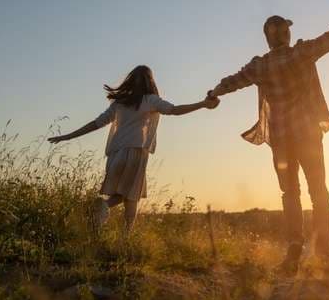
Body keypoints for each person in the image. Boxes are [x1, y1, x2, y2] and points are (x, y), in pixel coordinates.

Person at [207, 0, 329, 275]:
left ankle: (293, 251)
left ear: (267, 38)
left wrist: (213, 93)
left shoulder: (259, 65)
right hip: (308, 134)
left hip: (281, 139)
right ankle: (323, 252)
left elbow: (232, 81)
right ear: (286, 34)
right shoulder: (302, 53)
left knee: (290, 193)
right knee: (319, 192)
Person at [48, 65, 219, 239]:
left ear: (130, 80)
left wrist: (68, 136)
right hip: (136, 152)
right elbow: (174, 110)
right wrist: (203, 104)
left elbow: (96, 123)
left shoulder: (119, 102)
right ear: (150, 81)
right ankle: (124, 239)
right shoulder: (150, 100)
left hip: (115, 154)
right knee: (132, 197)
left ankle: (102, 208)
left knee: (121, 194)